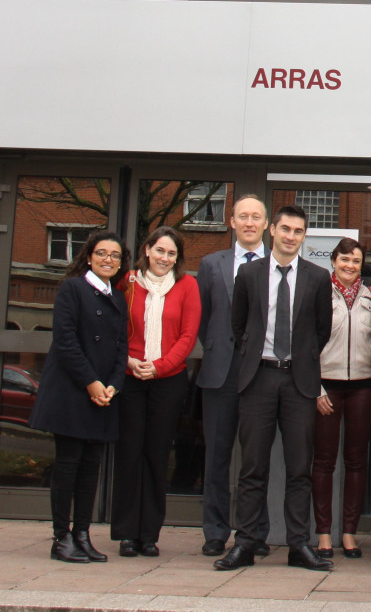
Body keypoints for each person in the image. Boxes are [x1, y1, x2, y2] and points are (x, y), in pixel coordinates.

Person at [214, 204, 334, 572]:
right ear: (272, 231)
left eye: (298, 231)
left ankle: (299, 545)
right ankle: (246, 543)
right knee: (252, 467)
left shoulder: (317, 276)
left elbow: (321, 331)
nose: (291, 236)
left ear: (303, 236)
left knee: (300, 468)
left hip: (299, 382)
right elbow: (240, 328)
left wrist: (302, 362)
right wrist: (257, 355)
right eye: (285, 229)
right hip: (259, 379)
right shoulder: (249, 274)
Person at [28, 230, 129, 564]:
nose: (108, 260)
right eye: (102, 253)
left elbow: (120, 347)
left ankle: (82, 535)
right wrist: (91, 383)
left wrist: (113, 384)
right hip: (74, 392)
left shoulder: (117, 297)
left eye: (115, 256)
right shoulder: (72, 289)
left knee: (91, 468)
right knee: (68, 465)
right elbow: (66, 341)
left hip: (103, 395)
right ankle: (61, 538)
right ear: (89, 256)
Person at [111, 226, 201, 558]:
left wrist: (160, 366)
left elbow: (189, 336)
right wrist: (130, 362)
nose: (165, 258)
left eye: (171, 253)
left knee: (156, 455)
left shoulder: (187, 285)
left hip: (168, 380)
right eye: (160, 250)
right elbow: (115, 329)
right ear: (147, 250)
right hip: (131, 377)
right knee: (129, 454)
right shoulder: (128, 282)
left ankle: (149, 534)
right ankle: (125, 533)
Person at [196, 195, 271, 558]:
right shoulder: (211, 264)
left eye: (256, 217)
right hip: (220, 372)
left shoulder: (279, 264)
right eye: (243, 216)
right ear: (232, 222)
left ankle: (254, 532)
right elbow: (203, 318)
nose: (249, 222)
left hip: (260, 373)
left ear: (266, 224)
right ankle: (214, 531)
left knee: (257, 458)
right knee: (217, 455)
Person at [312, 238, 371, 560]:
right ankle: (324, 534)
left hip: (364, 388)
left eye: (355, 261)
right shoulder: (319, 294)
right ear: (333, 261)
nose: (350, 266)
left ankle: (349, 533)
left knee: (356, 462)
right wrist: (315, 388)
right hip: (326, 386)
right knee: (324, 462)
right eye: (344, 260)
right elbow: (306, 344)